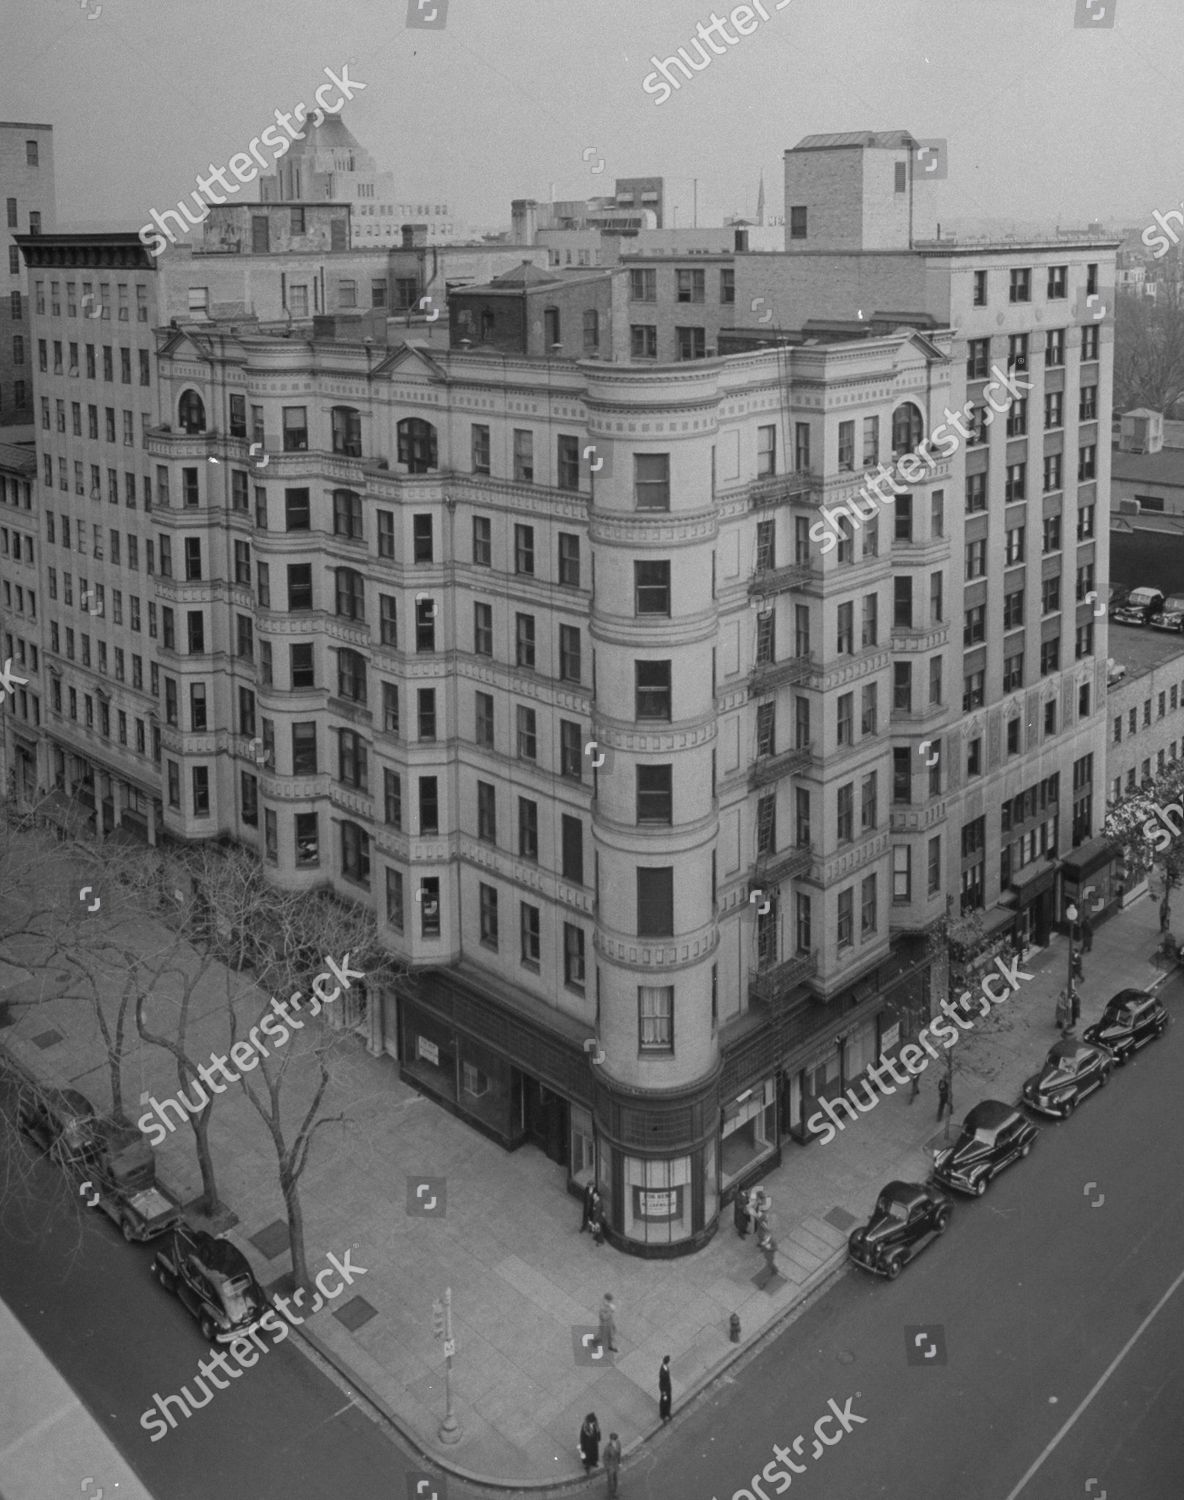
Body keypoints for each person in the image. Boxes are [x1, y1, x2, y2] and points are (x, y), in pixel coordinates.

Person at [603, 1431, 622, 1495]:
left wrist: (619, 1462)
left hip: (615, 1464)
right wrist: (607, 1468)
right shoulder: (607, 1448)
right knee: (610, 1479)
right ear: (610, 1440)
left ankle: (615, 1489)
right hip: (610, 1466)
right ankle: (611, 1491)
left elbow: (619, 1453)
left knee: (615, 1477)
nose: (614, 1442)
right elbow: (605, 1459)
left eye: (615, 1440)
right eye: (613, 1440)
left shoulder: (618, 1443)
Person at [658, 1355, 672, 1422]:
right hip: (664, 1389)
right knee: (664, 1402)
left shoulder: (666, 1367)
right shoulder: (662, 1372)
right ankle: (663, 1415)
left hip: (667, 1388)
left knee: (668, 1400)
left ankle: (667, 1413)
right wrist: (663, 1392)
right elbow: (662, 1382)